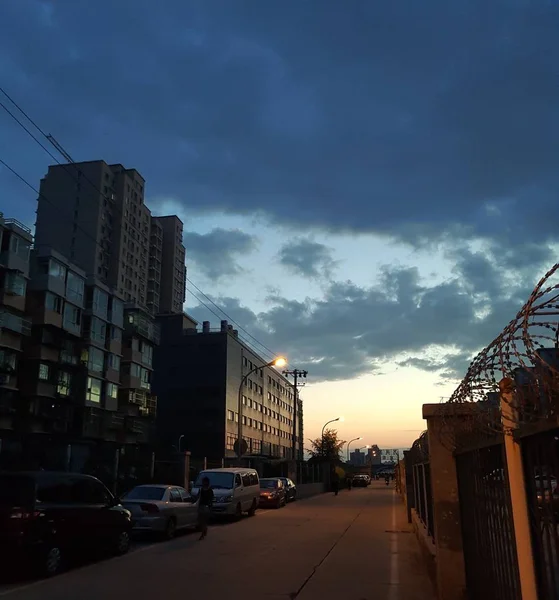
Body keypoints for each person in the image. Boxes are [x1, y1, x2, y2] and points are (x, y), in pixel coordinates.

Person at [197, 476, 214, 540]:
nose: (203, 483)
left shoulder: (210, 490)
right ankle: (204, 529)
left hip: (206, 507)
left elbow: (211, 499)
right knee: (200, 521)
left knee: (204, 520)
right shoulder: (201, 489)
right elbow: (199, 497)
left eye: (204, 482)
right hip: (201, 506)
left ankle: (202, 534)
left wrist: (210, 508)